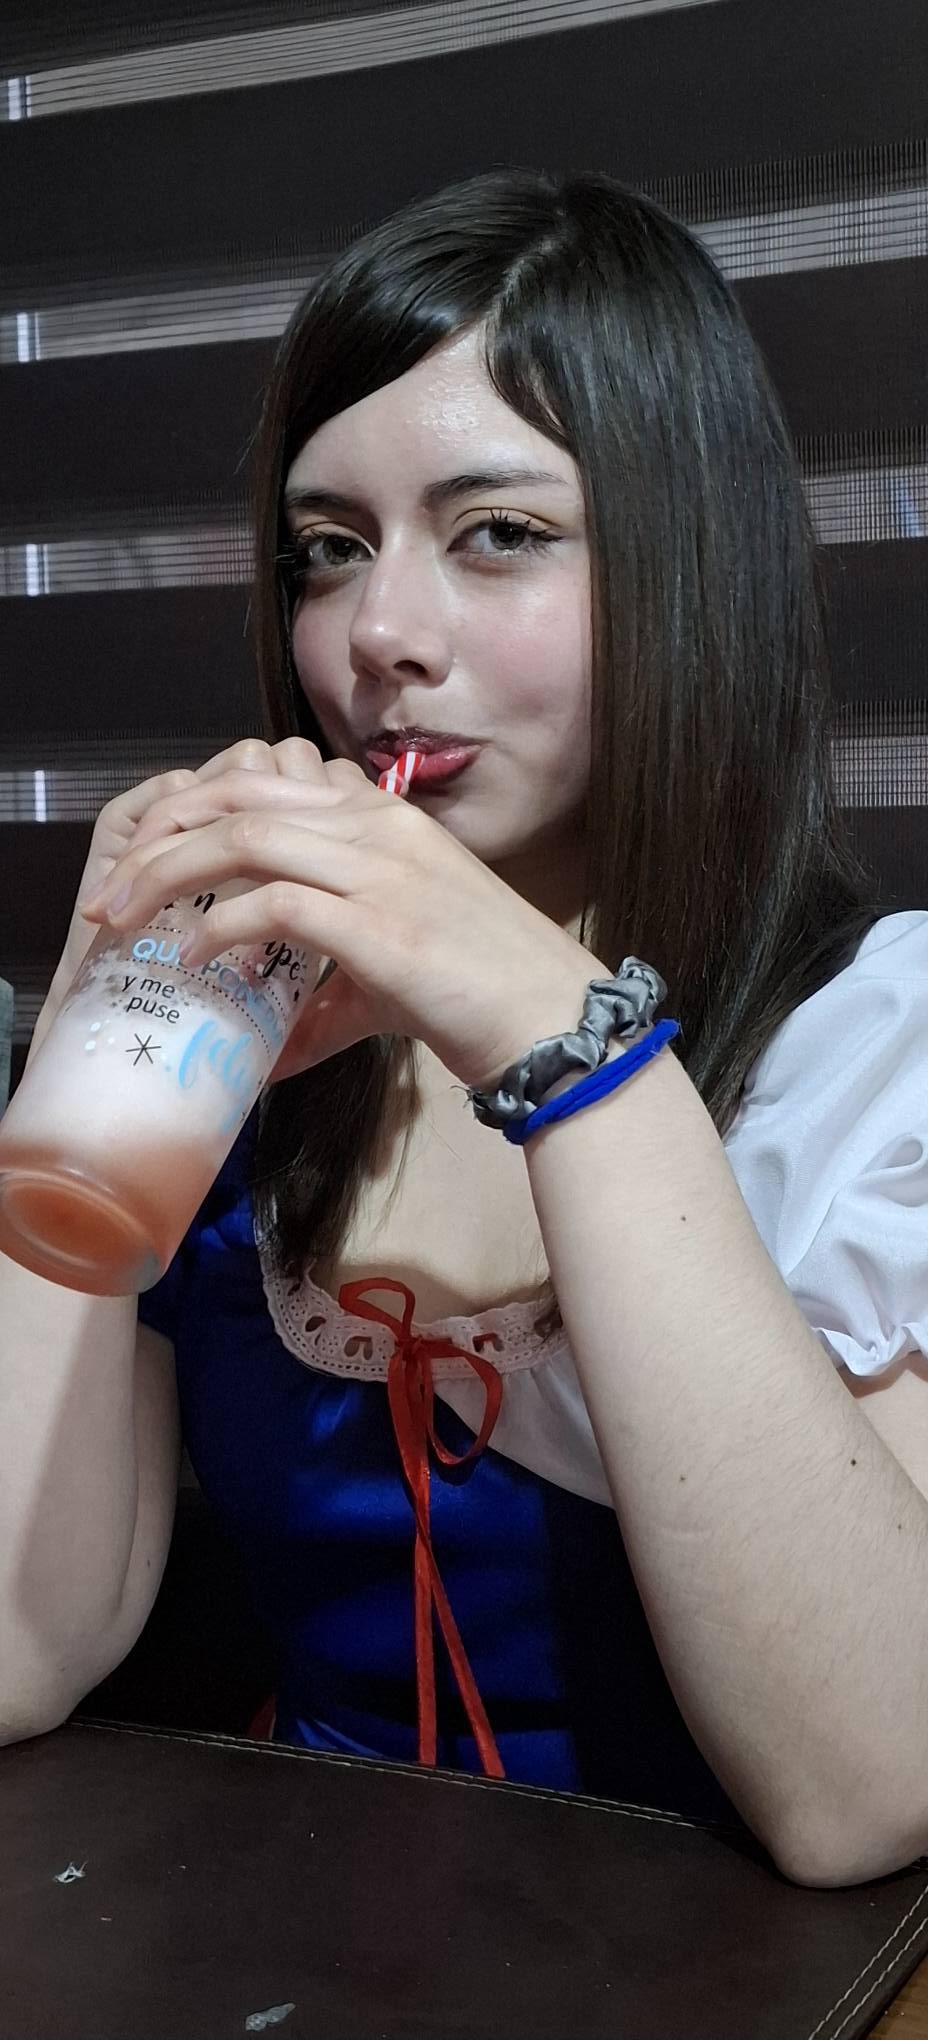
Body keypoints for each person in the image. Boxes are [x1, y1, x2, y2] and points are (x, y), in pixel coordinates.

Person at [2, 168, 927, 1890]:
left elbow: (870, 1786)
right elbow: (13, 1653)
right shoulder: (254, 1032)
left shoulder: (872, 1044)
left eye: (497, 532)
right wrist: (96, 1017)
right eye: (329, 550)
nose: (377, 636)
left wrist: (560, 1037)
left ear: (690, 562)